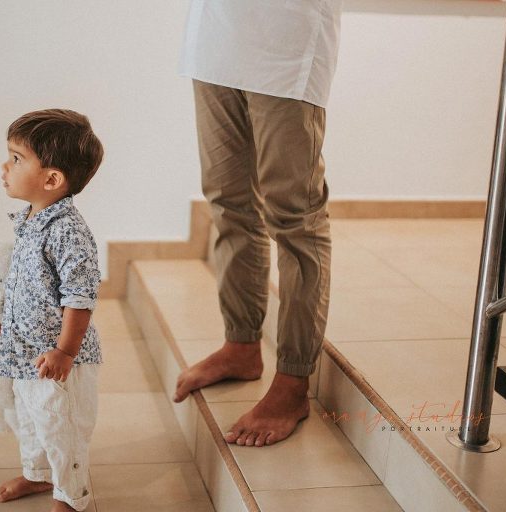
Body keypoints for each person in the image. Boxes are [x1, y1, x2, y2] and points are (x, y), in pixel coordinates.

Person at [173, 0, 342, 448]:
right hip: (214, 39)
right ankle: (241, 344)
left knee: (295, 218)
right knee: (227, 202)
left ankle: (293, 381)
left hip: (288, 42)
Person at [0, 109, 103, 512]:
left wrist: (66, 351)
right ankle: (39, 476)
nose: (5, 166)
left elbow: (80, 296)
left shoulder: (67, 231)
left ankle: (72, 497)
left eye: (16, 158)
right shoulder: (32, 219)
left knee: (61, 429)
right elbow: (24, 279)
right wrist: (3, 315)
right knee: (32, 421)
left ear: (51, 179)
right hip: (27, 352)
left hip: (58, 360)